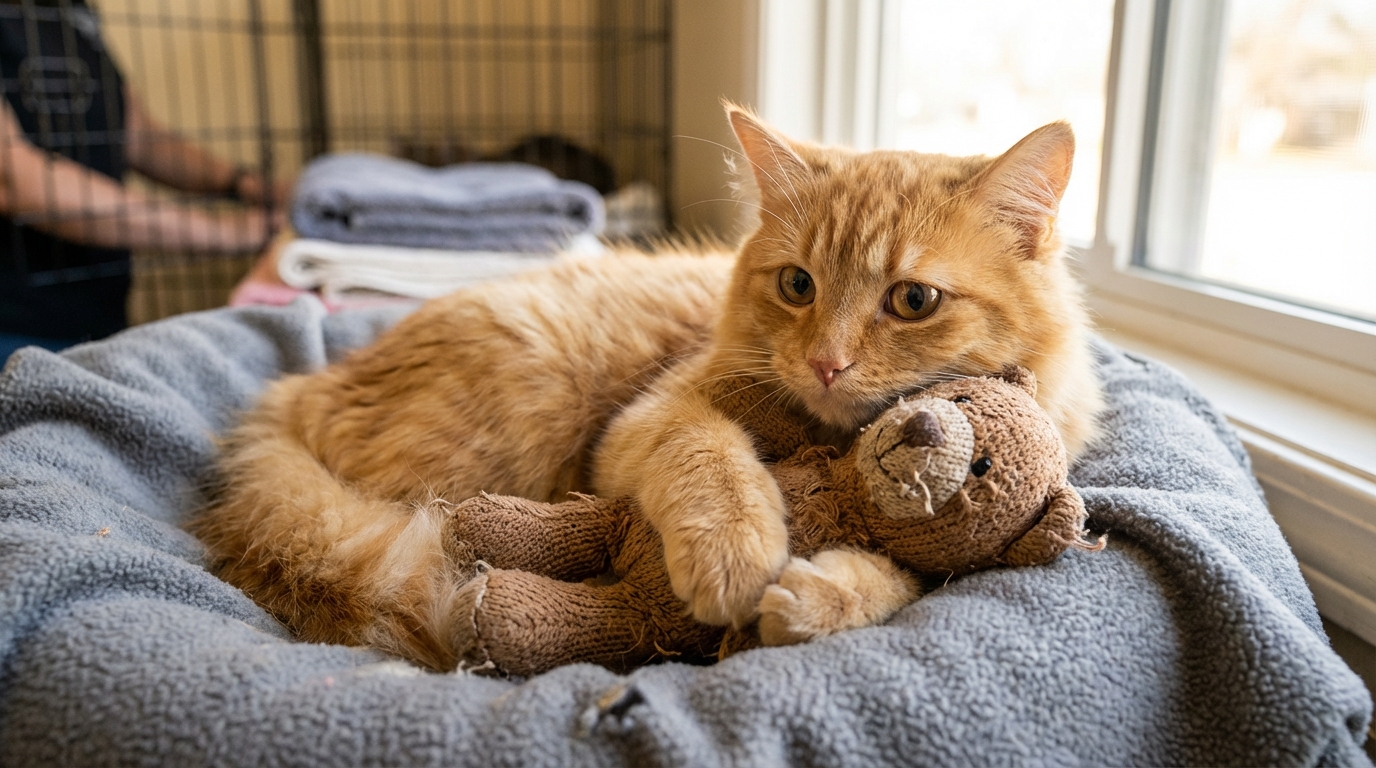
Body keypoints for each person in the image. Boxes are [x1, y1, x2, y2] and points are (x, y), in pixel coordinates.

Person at [0, 0, 286, 360]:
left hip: (97, 317)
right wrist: (233, 232)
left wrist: (250, 186)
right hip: (14, 327)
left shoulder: (71, 10)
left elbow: (135, 133)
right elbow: (16, 180)